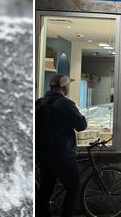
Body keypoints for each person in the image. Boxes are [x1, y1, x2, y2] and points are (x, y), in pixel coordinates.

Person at [36, 73, 88, 217]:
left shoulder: (40, 102)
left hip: (44, 154)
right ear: (64, 87)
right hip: (63, 155)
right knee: (73, 187)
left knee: (46, 189)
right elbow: (81, 125)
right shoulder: (65, 103)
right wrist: (81, 115)